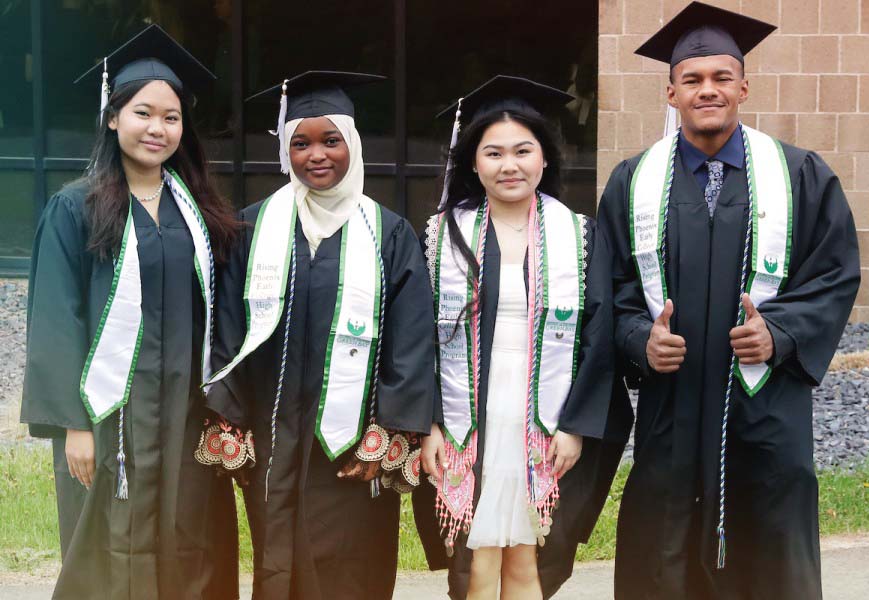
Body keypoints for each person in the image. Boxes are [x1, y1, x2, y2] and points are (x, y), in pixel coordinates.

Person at [596, 3, 861, 598]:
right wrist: (641, 340)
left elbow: (834, 272)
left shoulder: (800, 176)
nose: (707, 90)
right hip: (673, 403)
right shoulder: (633, 182)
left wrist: (782, 332)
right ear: (671, 93)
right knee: (663, 544)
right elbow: (608, 290)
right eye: (692, 79)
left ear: (744, 85)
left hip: (765, 408)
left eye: (720, 77)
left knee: (767, 537)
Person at [20, 25, 241, 600]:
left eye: (171, 117)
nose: (158, 129)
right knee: (109, 538)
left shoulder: (201, 212)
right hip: (109, 415)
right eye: (143, 113)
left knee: (190, 530)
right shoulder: (75, 208)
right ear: (113, 116)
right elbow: (54, 322)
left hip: (187, 412)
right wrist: (73, 424)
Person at [204, 71, 435, 599]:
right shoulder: (253, 228)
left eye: (331, 140)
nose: (316, 155)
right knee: (275, 555)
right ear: (286, 152)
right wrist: (231, 420)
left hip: (354, 442)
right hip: (273, 434)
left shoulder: (389, 232)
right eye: (300, 143)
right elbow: (228, 330)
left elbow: (412, 338)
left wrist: (392, 431)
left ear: (352, 144)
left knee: (352, 563)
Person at [414, 76, 632, 599]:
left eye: (522, 151)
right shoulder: (441, 235)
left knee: (533, 555)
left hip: (547, 413)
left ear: (543, 158)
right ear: (473, 162)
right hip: (468, 411)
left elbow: (598, 337)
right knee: (476, 554)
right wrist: (426, 425)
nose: (508, 165)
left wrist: (576, 425)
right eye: (493, 153)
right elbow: (415, 337)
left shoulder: (579, 235)